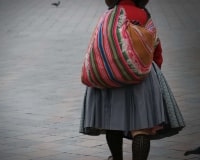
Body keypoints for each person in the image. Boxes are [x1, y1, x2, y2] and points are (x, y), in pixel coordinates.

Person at [79, 0, 185, 160]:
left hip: (110, 78)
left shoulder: (107, 16)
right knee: (141, 128)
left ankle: (116, 158)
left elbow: (96, 46)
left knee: (112, 125)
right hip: (141, 79)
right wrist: (154, 73)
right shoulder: (143, 15)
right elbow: (156, 47)